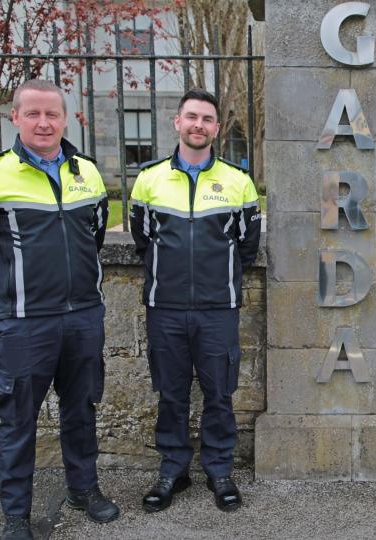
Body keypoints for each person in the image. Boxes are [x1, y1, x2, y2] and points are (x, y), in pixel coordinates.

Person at [0, 79, 118, 540]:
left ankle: (85, 490)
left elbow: (94, 236)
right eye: (34, 114)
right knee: (18, 421)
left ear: (65, 119)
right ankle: (16, 516)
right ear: (16, 118)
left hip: (83, 317)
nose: (44, 123)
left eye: (52, 114)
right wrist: (7, 297)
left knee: (81, 410)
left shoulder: (88, 172)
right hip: (25, 326)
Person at [130, 89, 261, 513]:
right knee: (170, 393)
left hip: (217, 310)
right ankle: (173, 469)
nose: (198, 125)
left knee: (219, 393)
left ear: (216, 128)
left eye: (207, 118)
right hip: (164, 308)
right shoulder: (149, 180)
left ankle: (219, 470)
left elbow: (247, 247)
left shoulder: (238, 183)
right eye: (191, 117)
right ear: (177, 122)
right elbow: (142, 241)